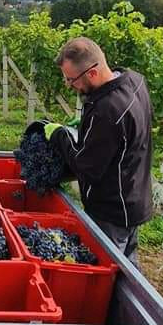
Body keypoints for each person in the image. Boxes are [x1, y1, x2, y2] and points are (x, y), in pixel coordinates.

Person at [46, 37, 152, 267]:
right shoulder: (134, 80)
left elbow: (86, 168)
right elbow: (123, 136)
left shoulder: (108, 111)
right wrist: (87, 128)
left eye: (71, 79)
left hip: (112, 209)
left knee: (109, 271)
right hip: (133, 195)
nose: (68, 85)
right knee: (128, 268)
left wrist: (60, 136)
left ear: (92, 73)